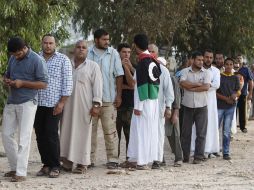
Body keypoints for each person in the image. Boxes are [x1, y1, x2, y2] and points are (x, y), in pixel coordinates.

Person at [2, 37, 48, 182]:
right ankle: (15, 167)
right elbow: (7, 74)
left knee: (24, 138)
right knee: (6, 135)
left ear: (24, 48)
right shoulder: (13, 59)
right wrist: (7, 80)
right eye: (13, 55)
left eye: (17, 54)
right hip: (11, 101)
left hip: (28, 103)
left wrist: (22, 83)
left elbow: (43, 84)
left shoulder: (37, 60)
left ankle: (21, 173)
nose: (15, 57)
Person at [60, 40, 103, 173]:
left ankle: (82, 163)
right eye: (78, 47)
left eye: (84, 47)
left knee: (83, 134)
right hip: (67, 106)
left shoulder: (93, 66)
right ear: (74, 49)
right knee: (66, 132)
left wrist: (96, 104)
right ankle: (67, 162)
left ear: (87, 50)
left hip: (85, 107)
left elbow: (98, 86)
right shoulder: (67, 65)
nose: (81, 49)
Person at [34, 34, 73, 178]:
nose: (48, 46)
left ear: (55, 44)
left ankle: (56, 165)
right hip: (36, 103)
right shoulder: (36, 58)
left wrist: (62, 103)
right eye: (45, 43)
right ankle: (46, 164)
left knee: (51, 134)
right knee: (40, 134)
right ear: (41, 43)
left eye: (51, 43)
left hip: (54, 104)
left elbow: (68, 83)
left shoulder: (63, 59)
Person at [87, 29, 124, 169]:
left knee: (110, 130)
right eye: (104, 39)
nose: (107, 42)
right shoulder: (88, 53)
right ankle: (89, 159)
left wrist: (119, 95)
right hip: (90, 100)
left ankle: (113, 159)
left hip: (109, 99)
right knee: (91, 131)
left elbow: (119, 75)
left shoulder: (113, 53)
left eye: (108, 39)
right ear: (96, 40)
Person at [126, 34, 161, 169]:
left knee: (142, 131)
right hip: (153, 101)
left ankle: (142, 161)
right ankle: (144, 159)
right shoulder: (153, 61)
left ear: (135, 45)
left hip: (144, 102)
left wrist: (139, 106)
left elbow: (141, 84)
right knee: (149, 130)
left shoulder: (143, 63)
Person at [180, 51, 211, 164]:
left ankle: (198, 157)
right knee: (185, 133)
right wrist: (197, 84)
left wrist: (191, 87)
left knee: (201, 133)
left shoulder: (206, 73)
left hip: (202, 106)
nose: (201, 62)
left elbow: (206, 87)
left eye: (202, 60)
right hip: (187, 106)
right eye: (199, 60)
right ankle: (185, 156)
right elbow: (182, 84)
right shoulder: (184, 71)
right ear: (192, 60)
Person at [147, 44, 174, 169]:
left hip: (159, 108)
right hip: (145, 108)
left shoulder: (163, 70)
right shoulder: (142, 68)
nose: (151, 53)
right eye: (149, 51)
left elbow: (169, 91)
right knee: (146, 133)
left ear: (157, 54)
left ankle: (157, 160)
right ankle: (146, 158)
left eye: (153, 51)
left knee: (158, 133)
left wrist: (168, 107)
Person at [191, 50, 220, 158]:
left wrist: (202, 86)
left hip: (211, 102)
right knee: (197, 126)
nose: (208, 59)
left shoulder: (216, 71)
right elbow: (190, 83)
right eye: (206, 57)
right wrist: (203, 86)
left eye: (210, 57)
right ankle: (195, 149)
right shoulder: (197, 70)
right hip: (198, 100)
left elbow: (216, 85)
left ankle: (209, 149)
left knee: (210, 124)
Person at [216, 58, 240, 160]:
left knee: (226, 131)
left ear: (233, 66)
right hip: (220, 106)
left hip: (230, 107)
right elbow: (215, 92)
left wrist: (235, 95)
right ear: (224, 65)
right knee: (215, 129)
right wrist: (226, 99)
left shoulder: (235, 77)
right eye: (227, 64)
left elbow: (238, 90)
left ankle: (226, 152)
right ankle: (214, 150)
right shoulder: (220, 76)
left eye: (231, 64)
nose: (229, 66)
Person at [116, 43, 135, 159]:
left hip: (129, 105)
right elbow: (112, 84)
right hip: (116, 105)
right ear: (119, 53)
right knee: (115, 135)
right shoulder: (114, 65)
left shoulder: (133, 67)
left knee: (129, 134)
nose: (126, 54)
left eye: (128, 52)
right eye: (124, 52)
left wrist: (127, 68)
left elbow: (133, 84)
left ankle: (129, 158)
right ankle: (114, 159)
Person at [236, 54, 253, 133]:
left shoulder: (246, 69)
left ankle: (243, 127)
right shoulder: (233, 69)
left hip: (243, 93)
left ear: (243, 60)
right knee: (233, 110)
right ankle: (233, 126)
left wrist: (250, 93)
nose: (239, 59)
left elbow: (251, 82)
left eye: (240, 58)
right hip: (233, 94)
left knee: (242, 110)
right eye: (238, 58)